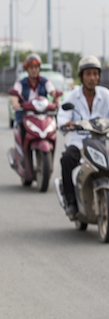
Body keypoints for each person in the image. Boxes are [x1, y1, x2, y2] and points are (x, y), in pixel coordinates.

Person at [58, 55, 109, 216]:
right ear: (81, 76)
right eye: (88, 74)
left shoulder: (106, 95)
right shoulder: (72, 97)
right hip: (79, 142)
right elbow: (62, 118)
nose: (92, 78)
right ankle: (71, 202)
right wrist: (68, 124)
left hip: (101, 141)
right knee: (67, 159)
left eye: (95, 73)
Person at [11, 53, 56, 140]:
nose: (34, 70)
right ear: (27, 69)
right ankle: (24, 151)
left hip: (42, 116)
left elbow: (53, 92)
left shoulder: (45, 81)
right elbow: (15, 95)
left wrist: (57, 101)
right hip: (26, 115)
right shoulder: (20, 83)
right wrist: (15, 103)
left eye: (36, 67)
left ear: (39, 68)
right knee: (21, 130)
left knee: (52, 130)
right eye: (31, 67)